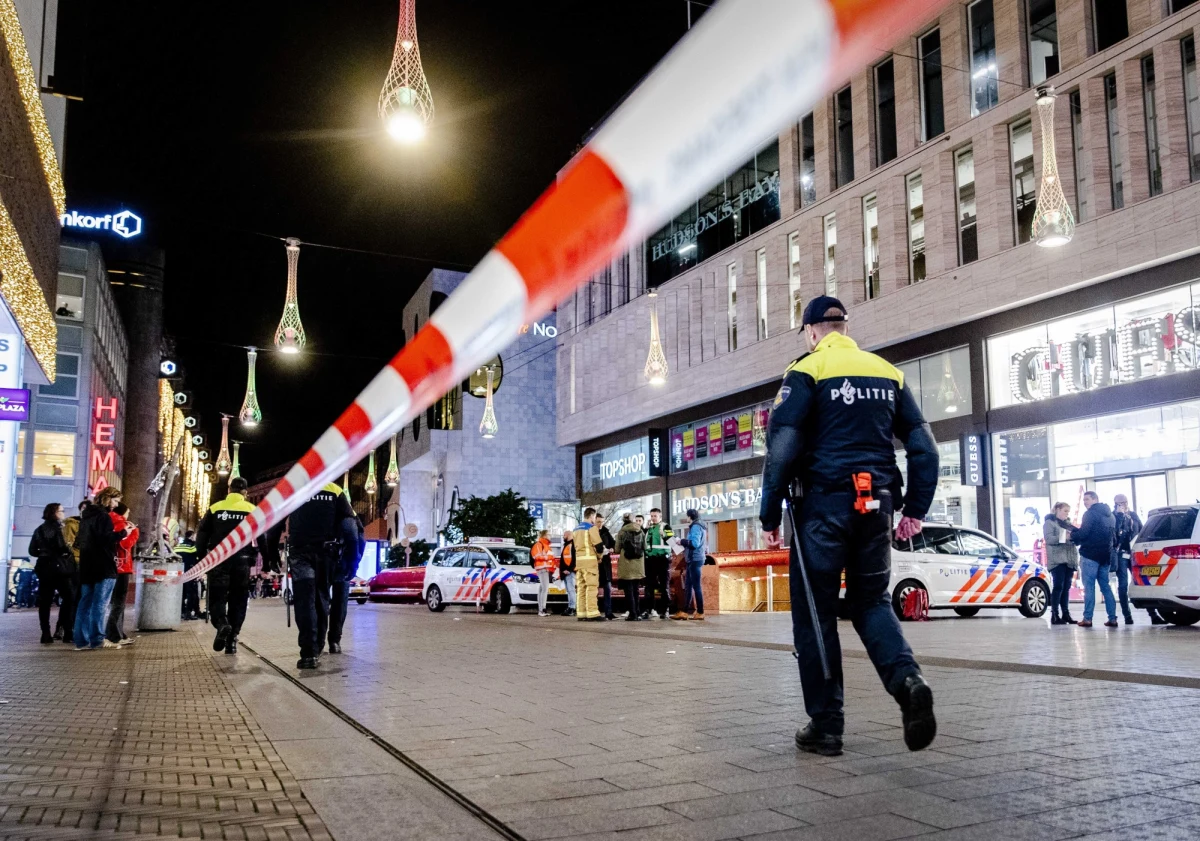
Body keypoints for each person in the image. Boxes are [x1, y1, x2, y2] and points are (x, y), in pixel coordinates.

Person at [759, 296, 939, 757]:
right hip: (876, 507)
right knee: (871, 602)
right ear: (844, 326)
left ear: (812, 331)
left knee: (815, 613)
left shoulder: (806, 371)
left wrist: (768, 512)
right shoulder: (887, 372)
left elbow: (783, 445)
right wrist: (915, 508)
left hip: (822, 508)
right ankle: (908, 682)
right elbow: (924, 446)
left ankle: (827, 725)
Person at [266, 481, 356, 669]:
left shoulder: (292, 488)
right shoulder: (335, 490)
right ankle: (317, 647)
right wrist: (351, 559)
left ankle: (308, 653)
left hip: (300, 554)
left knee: (305, 600)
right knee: (321, 598)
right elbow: (350, 528)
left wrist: (272, 555)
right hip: (326, 554)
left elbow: (275, 524)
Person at [196, 477, 260, 655]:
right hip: (242, 561)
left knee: (217, 597)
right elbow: (261, 536)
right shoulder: (252, 509)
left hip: (219, 560)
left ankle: (222, 624)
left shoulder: (215, 508)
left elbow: (202, 534)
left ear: (229, 490)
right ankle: (232, 641)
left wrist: (201, 557)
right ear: (245, 493)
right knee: (238, 600)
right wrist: (262, 557)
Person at [73, 487, 127, 650]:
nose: (116, 505)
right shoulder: (104, 517)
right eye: (115, 501)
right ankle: (97, 639)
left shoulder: (86, 516)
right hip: (103, 565)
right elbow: (106, 539)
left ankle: (81, 640)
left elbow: (80, 541)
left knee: (85, 603)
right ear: (108, 498)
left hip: (87, 566)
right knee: (100, 604)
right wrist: (123, 533)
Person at [28, 503, 76, 644]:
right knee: (69, 598)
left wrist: (43, 553)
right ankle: (68, 632)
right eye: (62, 510)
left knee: (45, 602)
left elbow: (32, 551)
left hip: (44, 568)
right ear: (55, 513)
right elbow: (62, 547)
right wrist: (67, 551)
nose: (63, 513)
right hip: (59, 568)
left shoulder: (39, 530)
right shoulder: (59, 528)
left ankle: (46, 633)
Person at [1071, 491, 1118, 628]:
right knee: (1105, 587)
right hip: (1105, 556)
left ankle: (1087, 618)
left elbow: (1084, 533)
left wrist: (1073, 535)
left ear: (1095, 499)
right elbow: (1112, 538)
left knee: (1089, 587)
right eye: (1084, 500)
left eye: (1087, 499)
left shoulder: (1090, 514)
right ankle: (1113, 618)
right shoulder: (1111, 516)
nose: (1085, 502)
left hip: (1090, 555)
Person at [327, 513, 365, 652]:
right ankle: (334, 641)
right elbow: (360, 540)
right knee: (340, 603)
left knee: (321, 599)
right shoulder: (350, 514)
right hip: (343, 564)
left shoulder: (321, 508)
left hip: (323, 562)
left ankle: (318, 640)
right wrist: (354, 562)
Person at [104, 502, 139, 646]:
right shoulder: (120, 524)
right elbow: (125, 544)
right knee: (118, 603)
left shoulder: (107, 521)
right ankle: (113, 634)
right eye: (128, 512)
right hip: (122, 566)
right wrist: (134, 532)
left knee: (114, 602)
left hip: (110, 565)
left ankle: (118, 632)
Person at [1113, 494, 1151, 624]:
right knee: (1123, 584)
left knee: (1143, 581)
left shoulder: (1133, 515)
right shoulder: (1113, 517)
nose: (1123, 504)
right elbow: (1114, 534)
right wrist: (1119, 516)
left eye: (1124, 502)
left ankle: (1153, 614)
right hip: (1121, 554)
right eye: (1119, 503)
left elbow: (1141, 530)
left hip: (1134, 553)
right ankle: (1127, 616)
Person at [55, 500, 87, 639]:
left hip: (84, 564)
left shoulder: (88, 524)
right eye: (84, 508)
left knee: (76, 598)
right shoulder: (72, 524)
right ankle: (65, 629)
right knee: (72, 598)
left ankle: (66, 628)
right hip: (74, 565)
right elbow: (68, 545)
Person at [1043, 503, 1079, 625]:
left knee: (1066, 588)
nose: (1067, 513)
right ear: (1057, 510)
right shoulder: (1049, 523)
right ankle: (1054, 614)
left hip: (1069, 559)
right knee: (1058, 586)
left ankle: (1066, 614)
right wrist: (1065, 537)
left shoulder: (1068, 524)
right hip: (1057, 559)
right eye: (1065, 511)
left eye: (1068, 511)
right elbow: (1049, 539)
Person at [673, 509, 708, 620]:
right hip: (693, 559)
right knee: (688, 586)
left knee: (696, 586)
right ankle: (684, 611)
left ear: (689, 517)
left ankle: (700, 612)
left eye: (687, 516)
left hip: (695, 559)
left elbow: (694, 543)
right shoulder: (699, 526)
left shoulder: (696, 526)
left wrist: (681, 541)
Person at [571, 509, 605, 622]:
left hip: (579, 563)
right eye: (595, 518)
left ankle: (581, 613)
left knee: (581, 588)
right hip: (590, 563)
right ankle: (592, 612)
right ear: (592, 516)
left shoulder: (575, 530)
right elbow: (599, 546)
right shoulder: (591, 528)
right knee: (591, 588)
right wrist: (600, 557)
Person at [643, 509, 673, 620]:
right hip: (650, 560)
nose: (653, 518)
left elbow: (673, 542)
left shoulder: (665, 527)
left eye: (655, 516)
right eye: (651, 516)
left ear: (660, 516)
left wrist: (664, 535)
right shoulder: (649, 528)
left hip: (662, 560)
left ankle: (665, 610)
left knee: (664, 586)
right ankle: (649, 610)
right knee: (649, 586)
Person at [615, 513, 645, 621]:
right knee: (636, 589)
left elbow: (617, 549)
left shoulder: (622, 531)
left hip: (627, 564)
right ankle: (637, 612)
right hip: (638, 563)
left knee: (629, 590)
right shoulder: (641, 530)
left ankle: (632, 614)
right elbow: (644, 546)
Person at [176, 531, 200, 620]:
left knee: (182, 593)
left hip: (180, 573)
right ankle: (188, 612)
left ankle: (181, 611)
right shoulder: (193, 546)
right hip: (191, 572)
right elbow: (198, 557)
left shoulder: (178, 546)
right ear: (191, 536)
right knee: (192, 593)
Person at [531, 529, 556, 617]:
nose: (550, 536)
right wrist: (549, 557)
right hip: (542, 569)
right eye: (549, 534)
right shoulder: (539, 544)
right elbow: (537, 556)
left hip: (544, 569)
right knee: (544, 589)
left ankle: (541, 609)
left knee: (542, 589)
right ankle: (542, 609)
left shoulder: (545, 545)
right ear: (544, 535)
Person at [596, 515, 616, 620]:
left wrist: (612, 548)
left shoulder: (606, 532)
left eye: (602, 522)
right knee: (594, 589)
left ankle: (608, 612)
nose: (600, 524)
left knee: (607, 588)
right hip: (596, 564)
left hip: (605, 564)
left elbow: (613, 544)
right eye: (598, 521)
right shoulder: (592, 532)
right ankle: (595, 611)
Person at [560, 529, 577, 617]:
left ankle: (572, 608)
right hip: (567, 572)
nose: (563, 537)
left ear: (568, 535)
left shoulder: (572, 545)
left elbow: (574, 559)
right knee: (569, 591)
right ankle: (571, 607)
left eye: (564, 535)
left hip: (569, 572)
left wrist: (569, 569)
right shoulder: (568, 545)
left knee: (571, 590)